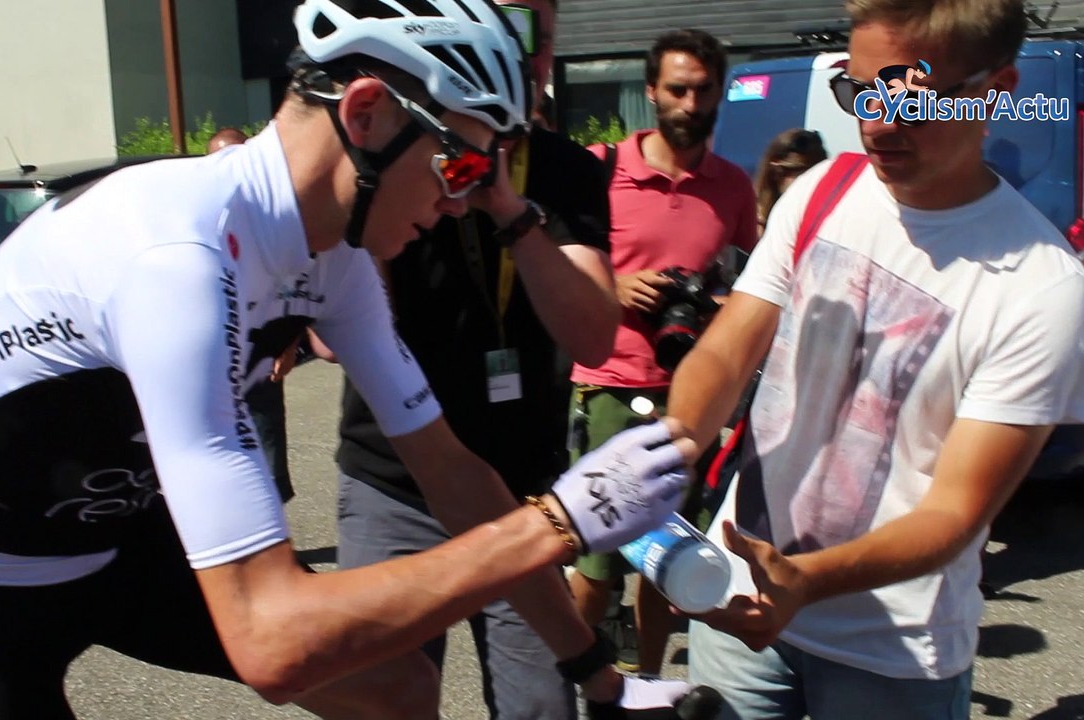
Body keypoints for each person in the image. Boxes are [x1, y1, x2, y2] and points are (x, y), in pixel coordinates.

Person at [0, 1, 699, 717]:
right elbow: (271, 640)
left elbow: (452, 473)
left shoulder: (333, 261)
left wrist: (596, 675)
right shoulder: (175, 258)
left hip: (125, 535)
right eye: (461, 163)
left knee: (393, 686)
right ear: (365, 113)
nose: (458, 205)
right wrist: (558, 520)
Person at [665, 1, 1084, 717]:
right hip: (736, 603)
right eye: (858, 90)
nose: (877, 123)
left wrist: (804, 581)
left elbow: (958, 511)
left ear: (997, 89)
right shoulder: (823, 190)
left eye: (908, 98)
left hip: (893, 653)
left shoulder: (1042, 286)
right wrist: (672, 445)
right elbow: (726, 349)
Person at [333, 0, 618, 717]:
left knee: (539, 707)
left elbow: (593, 338)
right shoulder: (403, 143)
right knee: (386, 699)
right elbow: (339, 313)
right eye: (505, 35)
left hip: (521, 488)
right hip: (393, 479)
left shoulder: (564, 171)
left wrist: (509, 210)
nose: (523, 59)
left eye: (540, 42)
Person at [567, 28, 758, 676]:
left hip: (688, 396)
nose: (690, 102)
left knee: (666, 557)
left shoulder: (733, 186)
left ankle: (647, 683)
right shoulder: (600, 169)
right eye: (677, 88)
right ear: (651, 92)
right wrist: (615, 286)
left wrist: (715, 303)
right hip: (608, 388)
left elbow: (748, 285)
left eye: (703, 89)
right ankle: (561, 680)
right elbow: (563, 271)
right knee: (595, 565)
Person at [206, 126, 300, 505]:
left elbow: (296, 286)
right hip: (213, 363)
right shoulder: (201, 217)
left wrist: (290, 344)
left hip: (261, 357)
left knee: (268, 448)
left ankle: (281, 549)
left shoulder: (270, 219)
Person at [753, 128, 827, 236]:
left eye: (820, 174)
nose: (812, 183)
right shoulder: (753, 221)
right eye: (802, 173)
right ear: (776, 174)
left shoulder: (826, 222)